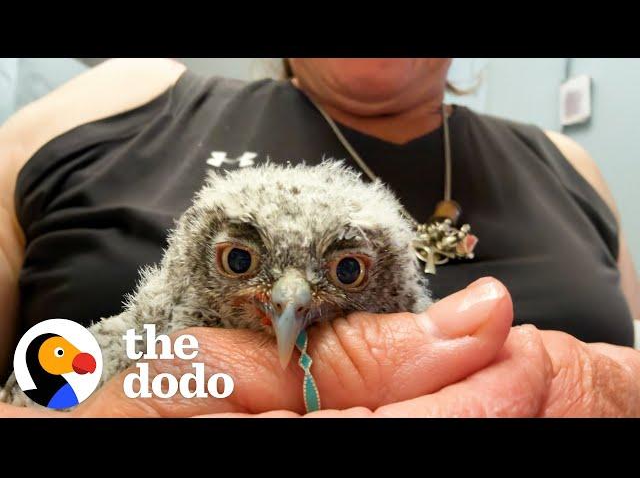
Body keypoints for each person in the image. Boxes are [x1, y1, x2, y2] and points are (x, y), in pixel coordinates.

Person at [0, 58, 639, 417]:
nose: (288, 299)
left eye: (350, 270)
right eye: (239, 258)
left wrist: (603, 389)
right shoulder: (101, 104)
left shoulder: (572, 166)